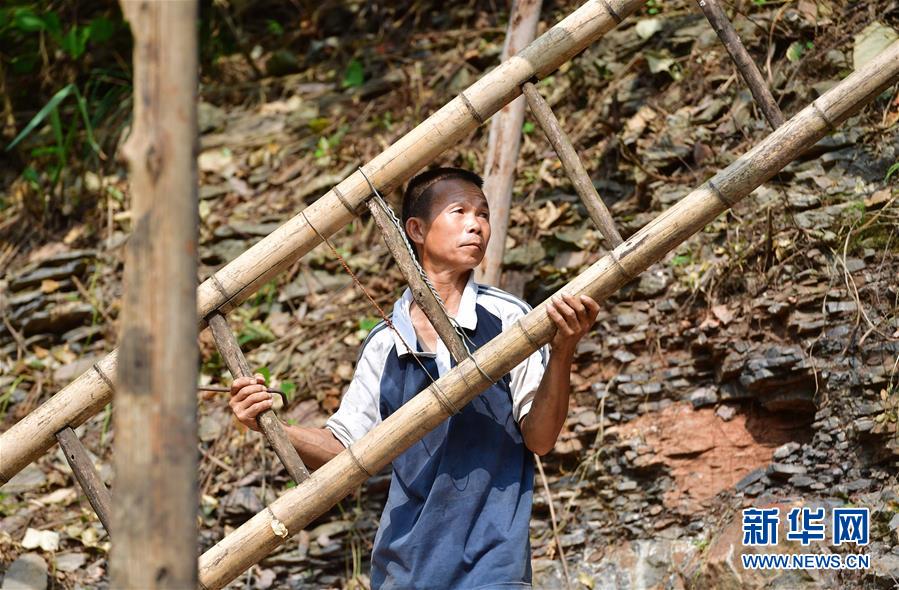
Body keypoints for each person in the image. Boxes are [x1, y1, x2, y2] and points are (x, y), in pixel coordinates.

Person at [229, 167, 600, 589]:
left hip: (493, 566)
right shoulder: (385, 343)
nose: (476, 225)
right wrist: (268, 423)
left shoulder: (509, 319)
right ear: (416, 230)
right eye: (459, 211)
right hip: (402, 570)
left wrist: (564, 351)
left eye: (482, 213)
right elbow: (343, 450)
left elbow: (541, 438)